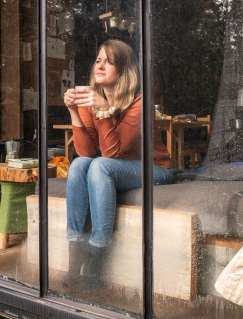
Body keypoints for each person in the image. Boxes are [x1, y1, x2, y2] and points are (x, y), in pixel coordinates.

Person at [62, 39, 172, 288]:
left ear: (123, 71)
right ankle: (73, 264)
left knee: (100, 165)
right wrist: (74, 111)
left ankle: (97, 265)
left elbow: (111, 153)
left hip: (155, 170)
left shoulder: (139, 103)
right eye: (98, 60)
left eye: (109, 62)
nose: (100, 66)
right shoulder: (92, 101)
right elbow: (86, 151)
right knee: (79, 165)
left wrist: (104, 111)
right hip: (116, 167)